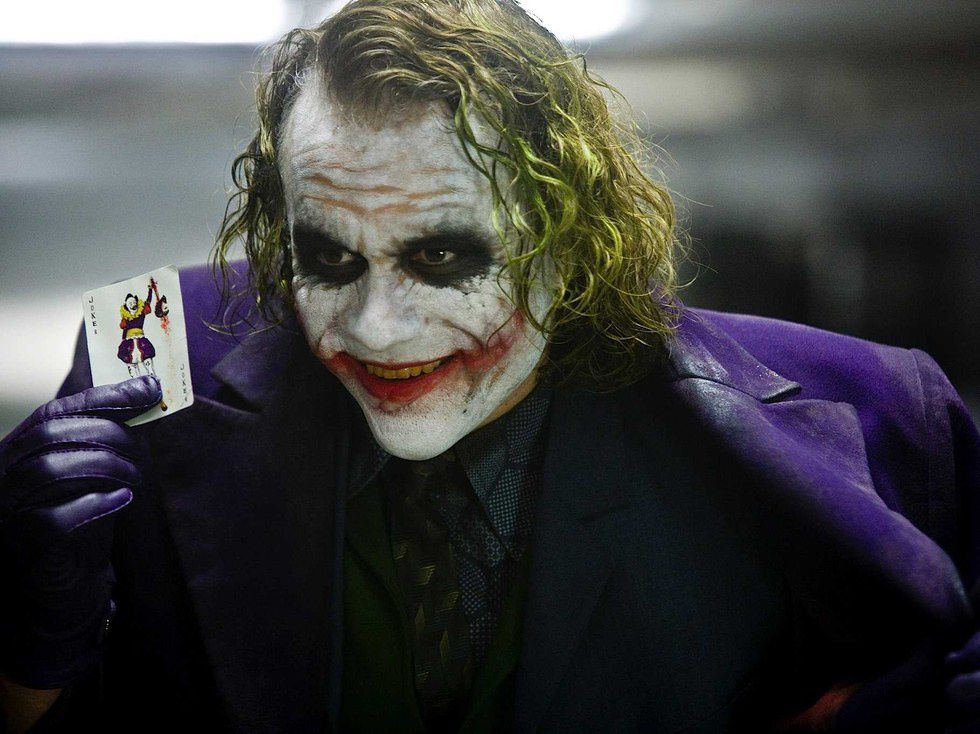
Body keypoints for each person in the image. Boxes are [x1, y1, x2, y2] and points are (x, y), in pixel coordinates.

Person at [2, 1, 979, 731]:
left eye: (441, 256)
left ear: (571, 234)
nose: (377, 329)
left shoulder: (884, 419)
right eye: (328, 259)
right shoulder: (152, 354)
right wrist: (24, 635)